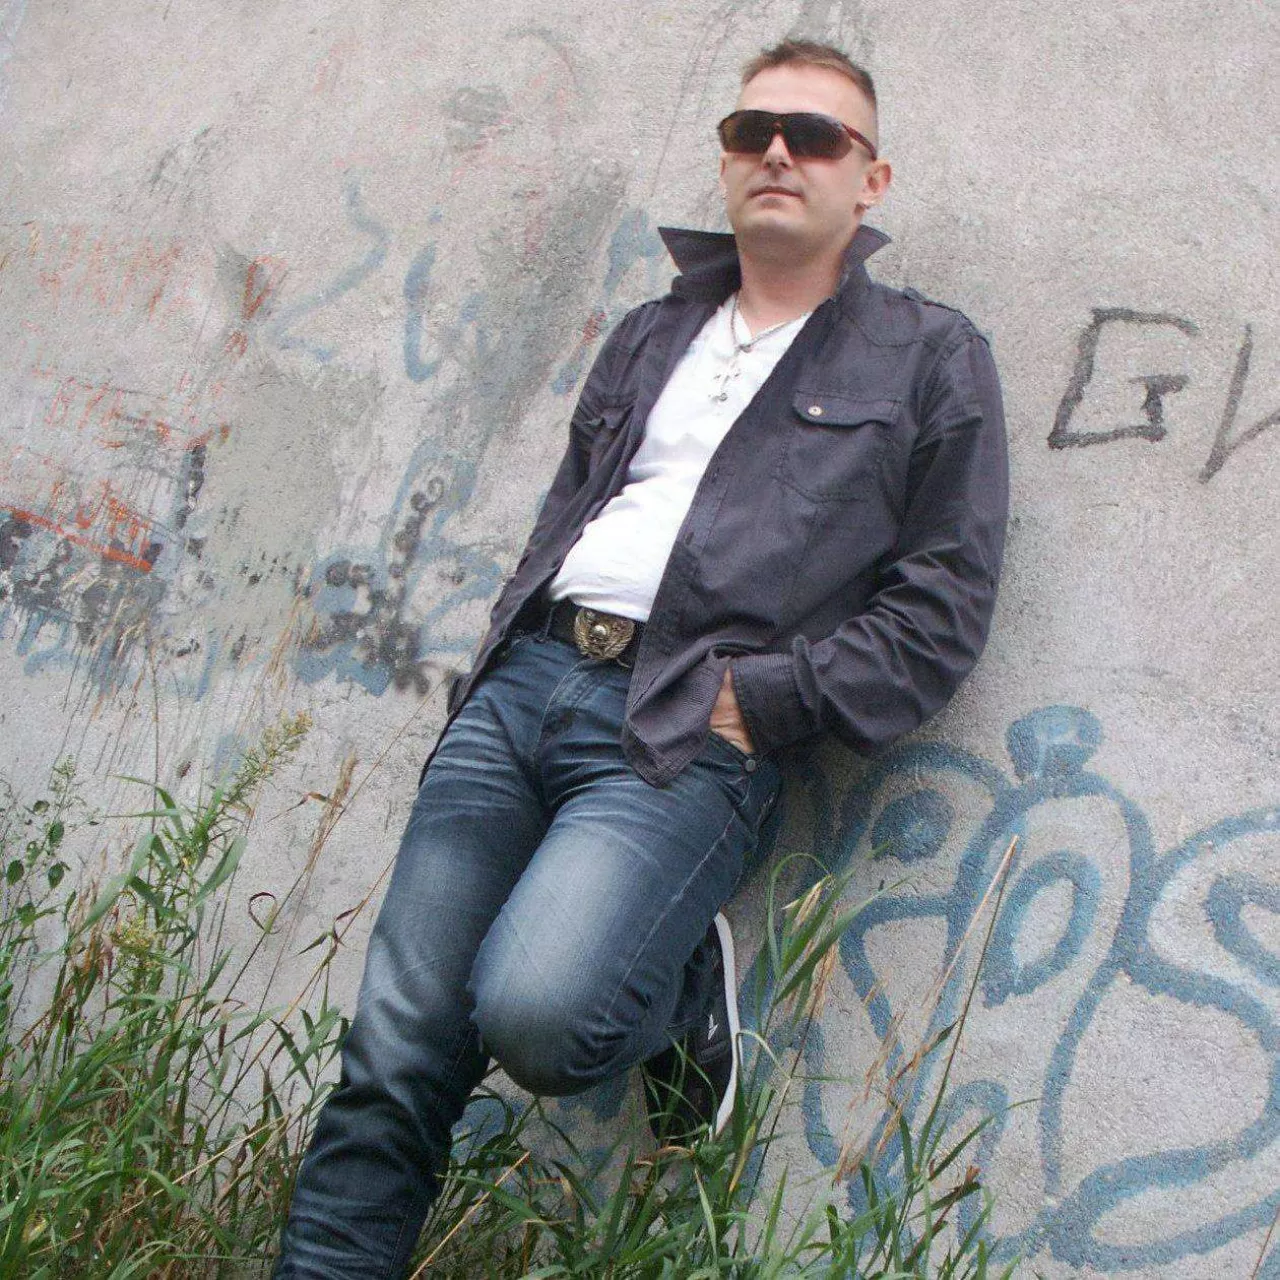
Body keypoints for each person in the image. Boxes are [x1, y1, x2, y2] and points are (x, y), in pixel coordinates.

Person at [274, 37, 1008, 1278]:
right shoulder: (651, 331)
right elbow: (565, 516)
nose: (775, 151)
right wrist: (495, 665)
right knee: (392, 1053)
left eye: (814, 135)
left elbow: (942, 602)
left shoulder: (928, 355)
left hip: (680, 730)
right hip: (519, 691)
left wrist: (758, 701)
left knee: (542, 1016)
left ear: (869, 180)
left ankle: (677, 994)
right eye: (749, 130)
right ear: (725, 159)